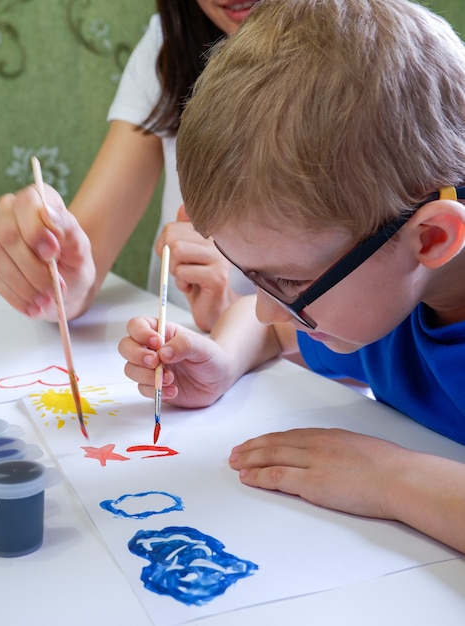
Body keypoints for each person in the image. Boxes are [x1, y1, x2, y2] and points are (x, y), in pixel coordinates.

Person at [118, 0, 465, 553]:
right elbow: (275, 330)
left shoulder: (380, 279)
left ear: (431, 239)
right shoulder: (386, 279)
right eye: (257, 279)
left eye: (290, 285)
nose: (265, 306)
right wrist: (224, 360)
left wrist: (391, 479)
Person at [0, 1, 256, 331]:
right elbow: (83, 262)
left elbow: (330, 349)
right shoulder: (171, 46)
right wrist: (52, 275)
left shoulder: (331, 64)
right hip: (171, 355)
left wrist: (240, 319)